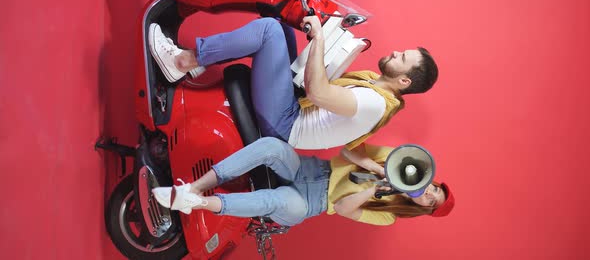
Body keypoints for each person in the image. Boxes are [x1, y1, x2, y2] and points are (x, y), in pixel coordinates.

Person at [149, 16, 438, 149]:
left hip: (286, 123)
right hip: (293, 109)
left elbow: (318, 91)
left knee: (268, 31)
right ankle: (203, 59)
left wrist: (320, 40)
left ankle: (181, 63)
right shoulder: (376, 88)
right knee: (282, 25)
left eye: (403, 57)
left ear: (403, 80)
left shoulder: (375, 103)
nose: (396, 52)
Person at [152, 137, 454, 226]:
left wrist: (374, 190)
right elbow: (348, 149)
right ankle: (193, 187)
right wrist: (378, 169)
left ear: (423, 209)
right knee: (271, 146)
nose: (429, 192)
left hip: (310, 203)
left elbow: (342, 207)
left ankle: (196, 203)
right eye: (435, 188)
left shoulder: (389, 215)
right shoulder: (398, 160)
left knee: (275, 202)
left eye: (432, 200)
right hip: (310, 170)